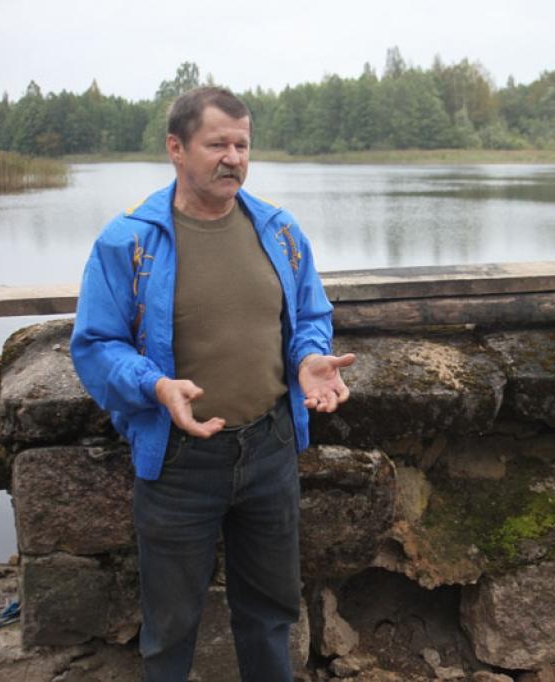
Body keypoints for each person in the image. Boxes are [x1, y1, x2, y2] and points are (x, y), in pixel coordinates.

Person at [70, 85, 354, 681]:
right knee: (170, 629)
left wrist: (308, 358)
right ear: (176, 148)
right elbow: (96, 345)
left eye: (242, 145)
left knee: (271, 615)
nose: (233, 158)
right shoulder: (129, 241)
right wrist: (155, 387)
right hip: (178, 461)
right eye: (217, 144)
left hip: (270, 449)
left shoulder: (278, 230)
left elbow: (310, 316)